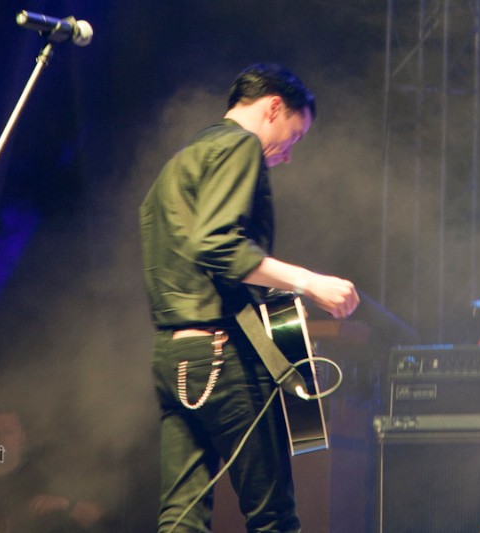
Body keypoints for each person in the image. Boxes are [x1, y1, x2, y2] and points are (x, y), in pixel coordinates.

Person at [140, 62, 360, 532]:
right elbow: (218, 245)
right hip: (222, 355)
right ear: (273, 107)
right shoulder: (240, 145)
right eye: (294, 136)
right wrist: (308, 281)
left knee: (181, 515)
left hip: (172, 356)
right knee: (272, 516)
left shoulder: (179, 164)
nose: (289, 154)